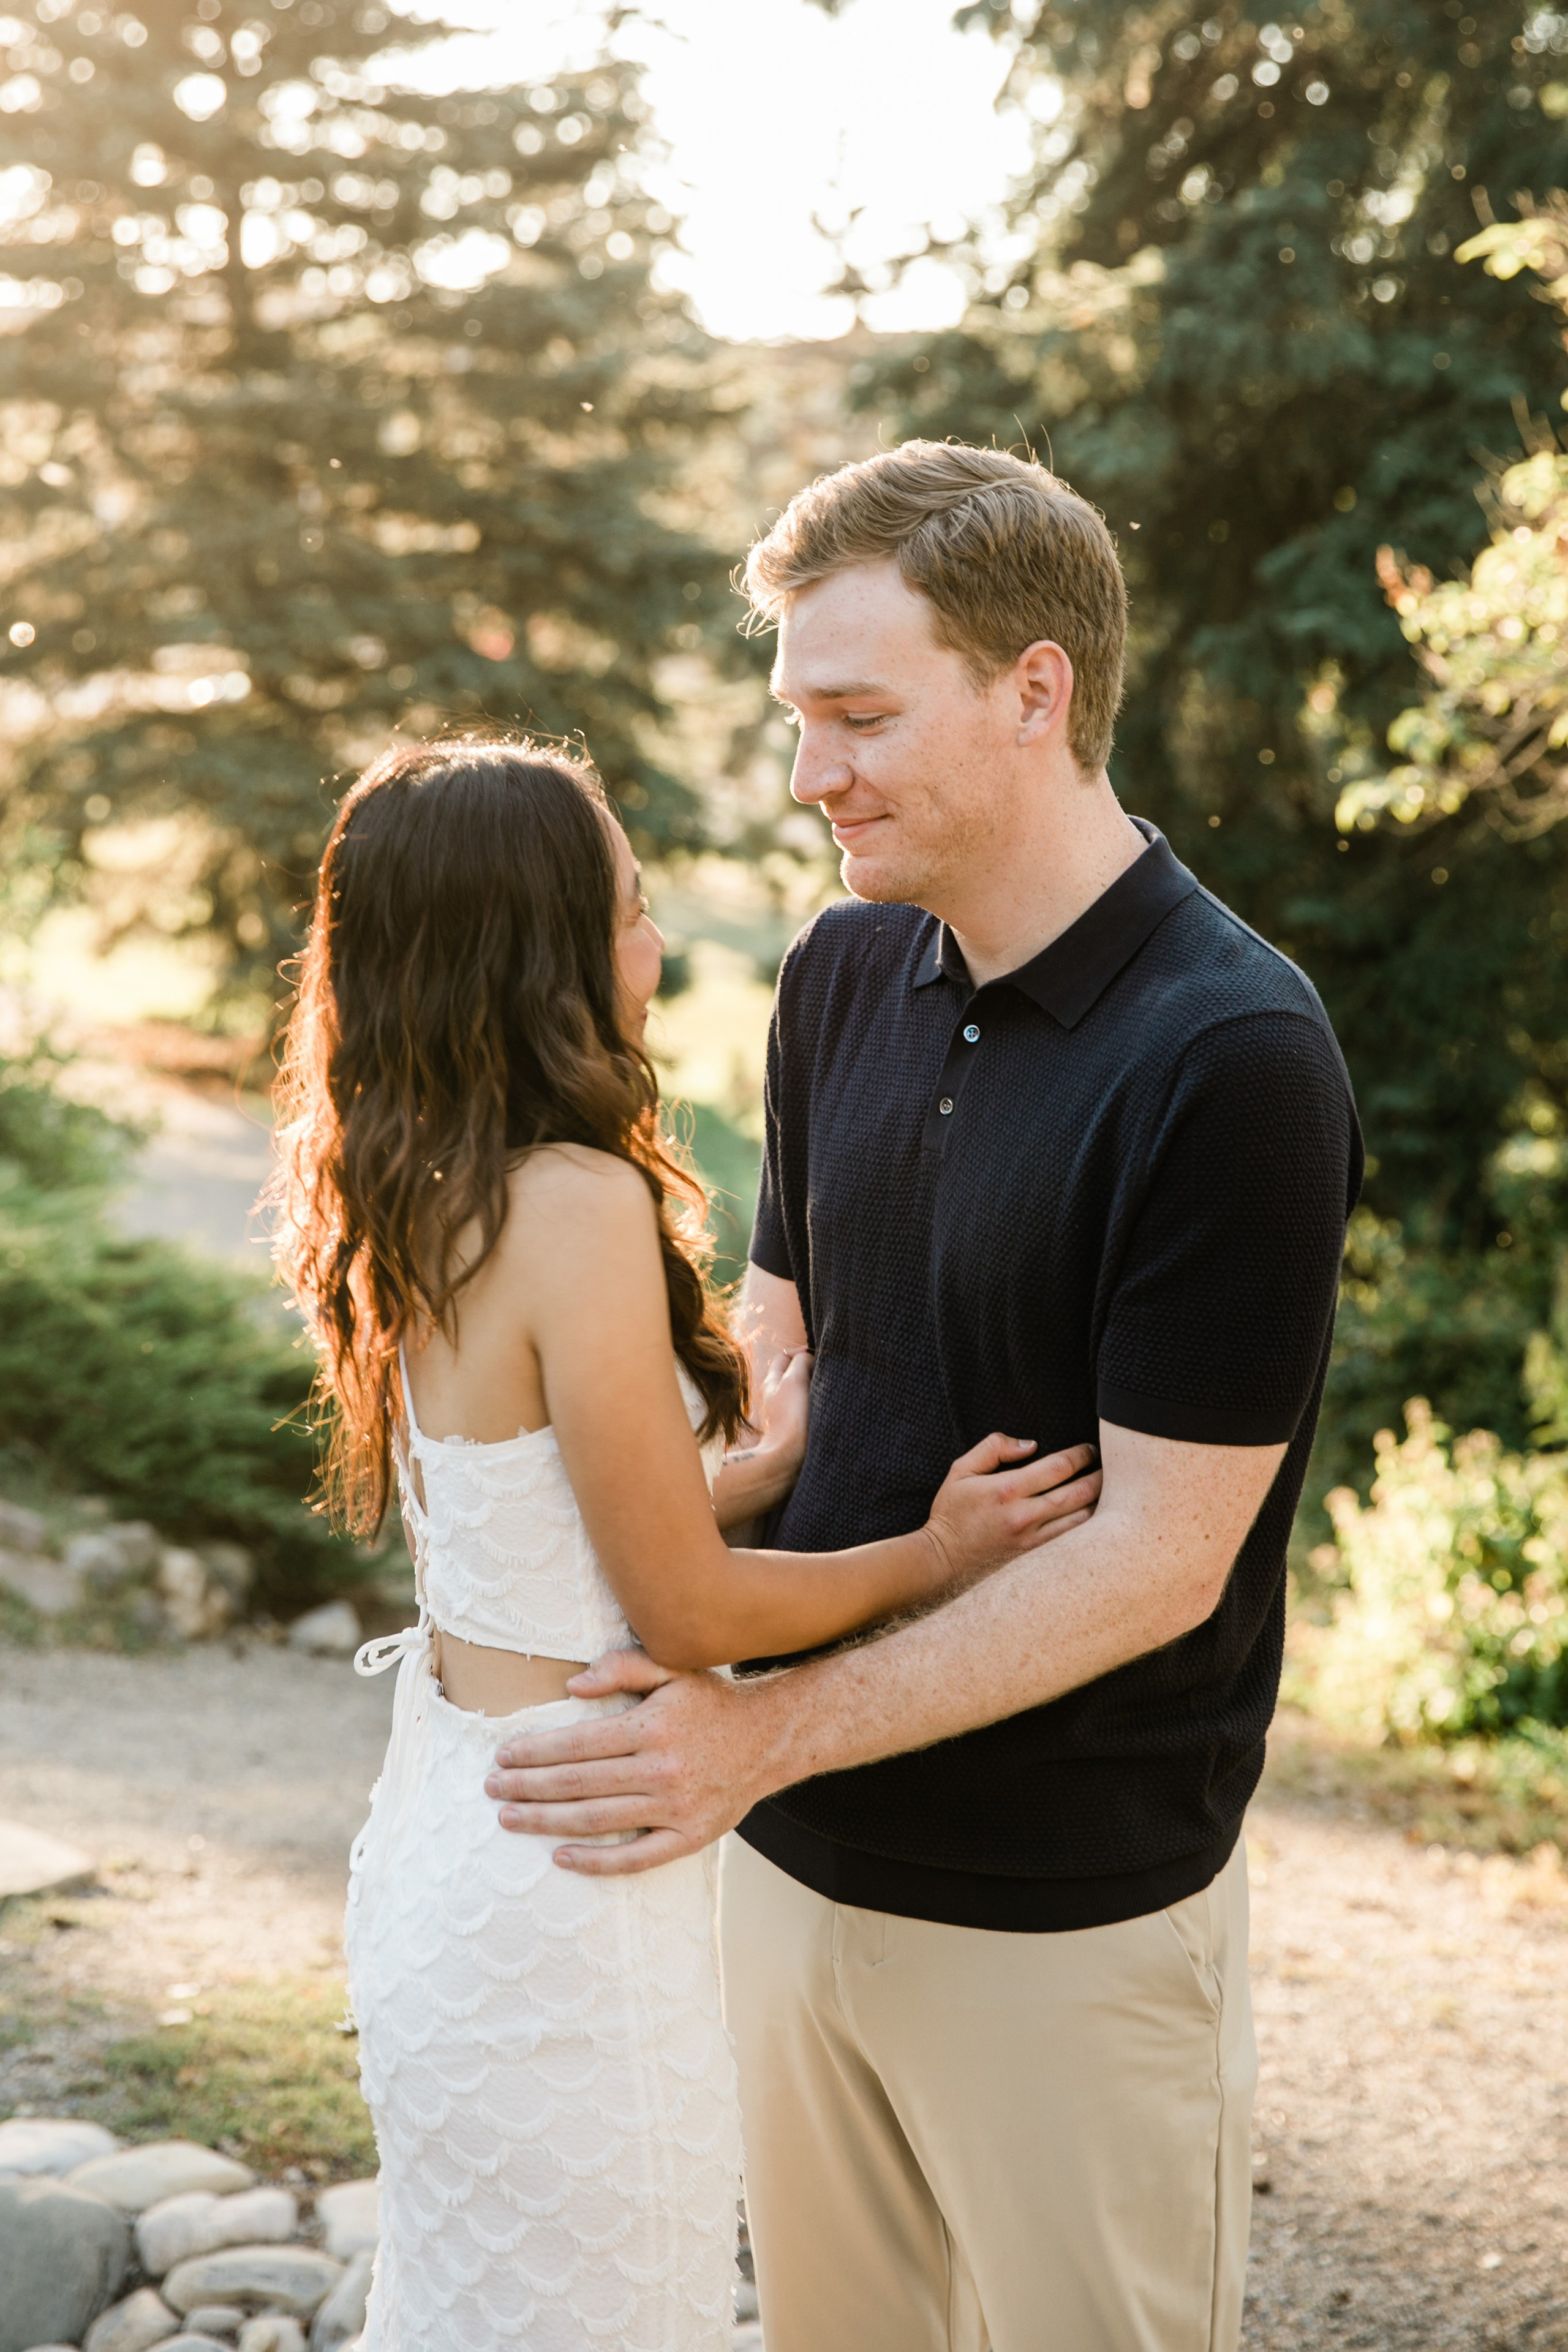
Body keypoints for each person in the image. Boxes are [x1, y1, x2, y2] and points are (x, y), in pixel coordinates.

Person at [483, 443, 1365, 2352]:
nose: (812, 777)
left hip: (1066, 1916)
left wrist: (758, 1729)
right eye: (800, 719)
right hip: (793, 1876)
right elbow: (787, 1347)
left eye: (860, 716)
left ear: (1035, 690)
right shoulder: (841, 969)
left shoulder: (1233, 1057)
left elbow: (1154, 1564)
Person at [270, 734, 1101, 2351]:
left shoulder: (410, 1174)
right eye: (633, 905)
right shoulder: (572, 1202)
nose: (654, 942)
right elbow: (679, 1601)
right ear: (541, 952)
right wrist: (935, 1555)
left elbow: (524, 1520)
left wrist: (716, 1466)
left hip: (458, 1825)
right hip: (571, 1884)